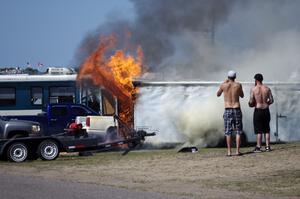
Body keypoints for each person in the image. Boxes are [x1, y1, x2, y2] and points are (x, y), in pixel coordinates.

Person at [217, 71, 244, 156]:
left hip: (227, 109)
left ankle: (229, 152)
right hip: (236, 108)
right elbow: (242, 95)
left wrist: (224, 83)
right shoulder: (238, 85)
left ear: (228, 77)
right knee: (238, 131)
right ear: (235, 77)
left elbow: (218, 94)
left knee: (228, 131)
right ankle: (237, 151)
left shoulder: (223, 85)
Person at [248, 73, 274, 152]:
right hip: (266, 109)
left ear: (256, 80)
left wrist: (251, 104)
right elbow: (272, 100)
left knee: (259, 130)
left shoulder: (253, 89)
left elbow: (251, 101)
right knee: (267, 129)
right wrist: (266, 104)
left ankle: (258, 147)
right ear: (262, 80)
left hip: (258, 110)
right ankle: (267, 147)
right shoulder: (267, 88)